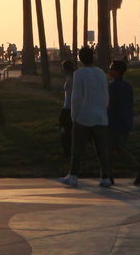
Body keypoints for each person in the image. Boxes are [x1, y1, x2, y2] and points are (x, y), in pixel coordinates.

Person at [58, 45, 111, 188]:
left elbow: (76, 98)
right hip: (100, 115)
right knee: (102, 149)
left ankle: (73, 175)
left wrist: (74, 116)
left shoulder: (79, 74)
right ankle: (105, 176)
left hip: (84, 116)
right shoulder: (101, 73)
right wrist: (104, 109)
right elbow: (106, 94)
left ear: (80, 58)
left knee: (78, 148)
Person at [107, 60, 140, 186]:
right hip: (126, 120)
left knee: (112, 148)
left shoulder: (112, 87)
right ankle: (110, 174)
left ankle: (110, 174)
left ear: (117, 71)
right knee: (117, 148)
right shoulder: (127, 86)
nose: (109, 70)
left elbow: (111, 104)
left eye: (111, 68)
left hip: (115, 121)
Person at [59, 59, 76, 158]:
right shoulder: (71, 78)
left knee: (65, 129)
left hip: (68, 108)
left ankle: (67, 151)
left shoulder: (71, 79)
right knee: (66, 129)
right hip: (68, 107)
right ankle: (68, 150)